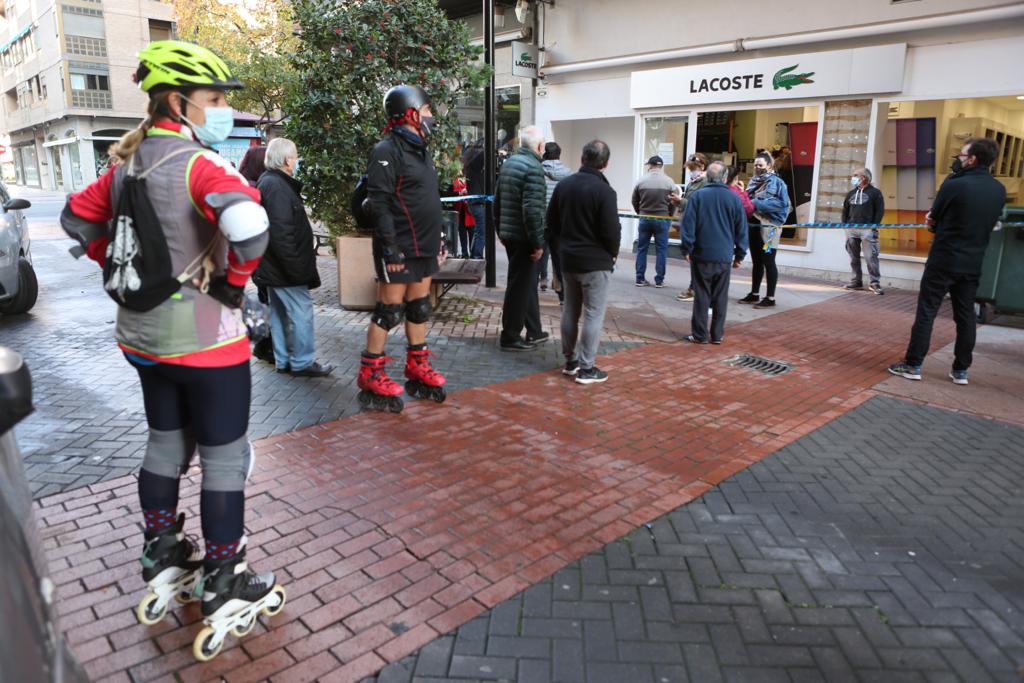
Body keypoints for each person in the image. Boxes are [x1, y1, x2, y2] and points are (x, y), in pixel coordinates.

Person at [59, 40, 284, 660]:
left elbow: (79, 222)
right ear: (181, 102)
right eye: (214, 99)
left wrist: (124, 264)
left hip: (141, 339)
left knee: (163, 444)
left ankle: (161, 548)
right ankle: (224, 577)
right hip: (206, 344)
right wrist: (233, 286)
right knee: (223, 459)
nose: (220, 110)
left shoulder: (125, 166)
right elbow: (251, 228)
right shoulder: (199, 164)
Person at [358, 84, 447, 411]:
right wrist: (390, 249)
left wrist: (438, 237)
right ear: (409, 113)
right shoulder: (386, 150)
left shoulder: (421, 150)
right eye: (426, 111)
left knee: (419, 306)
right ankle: (371, 372)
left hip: (423, 245)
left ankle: (416, 365)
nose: (431, 117)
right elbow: (379, 203)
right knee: (389, 311)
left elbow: (426, 199)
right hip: (398, 247)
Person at [889, 138, 1006, 385]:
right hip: (973, 262)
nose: (958, 159)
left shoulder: (954, 185)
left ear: (972, 159)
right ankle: (961, 370)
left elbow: (933, 218)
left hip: (944, 258)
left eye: (962, 155)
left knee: (927, 311)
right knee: (965, 316)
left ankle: (913, 364)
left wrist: (937, 223)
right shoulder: (998, 190)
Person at [253, 138, 332, 377]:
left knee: (280, 314)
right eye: (295, 156)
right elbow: (281, 233)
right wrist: (296, 268)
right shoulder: (276, 186)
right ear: (288, 160)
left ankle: (285, 359)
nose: (296, 160)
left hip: (275, 267)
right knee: (300, 312)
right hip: (285, 268)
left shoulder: (271, 183)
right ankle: (301, 361)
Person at [547, 140, 621, 384]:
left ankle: (571, 362)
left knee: (570, 309)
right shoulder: (605, 192)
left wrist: (560, 251)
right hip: (595, 262)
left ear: (582, 158)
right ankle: (588, 369)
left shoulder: (564, 186)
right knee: (593, 314)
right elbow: (611, 230)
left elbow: (552, 224)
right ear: (607, 164)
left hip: (568, 259)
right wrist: (613, 252)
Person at [679, 161, 748, 344]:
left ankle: (700, 334)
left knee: (701, 294)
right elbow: (741, 229)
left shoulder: (698, 196)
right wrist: (740, 254)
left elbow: (688, 225)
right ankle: (717, 334)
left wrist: (687, 248)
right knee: (720, 296)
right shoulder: (734, 198)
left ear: (707, 177)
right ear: (725, 178)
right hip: (724, 255)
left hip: (702, 254)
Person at [498, 125, 549, 351]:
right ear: (539, 146)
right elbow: (532, 210)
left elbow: (497, 198)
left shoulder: (510, 163)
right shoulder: (534, 169)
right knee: (519, 287)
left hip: (511, 235)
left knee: (524, 284)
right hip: (523, 237)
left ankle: (535, 330)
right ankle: (510, 335)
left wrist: (500, 230)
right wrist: (538, 243)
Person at [739, 152, 790, 309]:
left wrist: (755, 203)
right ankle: (754, 294)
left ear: (769, 165)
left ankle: (770, 297)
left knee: (768, 261)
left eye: (760, 165)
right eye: (755, 165)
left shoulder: (778, 183)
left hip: (769, 226)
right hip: (753, 224)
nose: (757, 168)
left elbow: (782, 204)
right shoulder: (753, 181)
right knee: (757, 261)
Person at [632, 155, 678, 288]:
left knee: (642, 249)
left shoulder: (641, 181)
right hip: (662, 218)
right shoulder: (669, 182)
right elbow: (674, 202)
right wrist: (669, 215)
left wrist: (639, 212)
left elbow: (634, 200)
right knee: (661, 250)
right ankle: (659, 280)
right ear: (661, 166)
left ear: (650, 166)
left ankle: (640, 278)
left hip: (645, 218)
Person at [842, 167, 885, 294]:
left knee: (870, 257)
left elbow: (880, 211)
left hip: (868, 230)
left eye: (856, 175)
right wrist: (845, 225)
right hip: (851, 229)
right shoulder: (850, 193)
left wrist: (874, 226)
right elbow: (845, 209)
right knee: (853, 257)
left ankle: (875, 283)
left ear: (864, 178)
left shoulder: (875, 193)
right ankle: (856, 281)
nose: (853, 177)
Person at [542, 141, 572, 303]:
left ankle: (533, 290)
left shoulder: (537, 172)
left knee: (537, 256)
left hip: (541, 221)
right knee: (559, 260)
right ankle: (563, 296)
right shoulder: (569, 174)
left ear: (544, 154)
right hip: (560, 223)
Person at [676, 152, 708, 301]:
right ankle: (694, 287)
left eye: (693, 167)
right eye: (689, 168)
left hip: (698, 225)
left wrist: (680, 202)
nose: (691, 170)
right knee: (694, 259)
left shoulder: (704, 182)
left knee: (697, 259)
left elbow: (699, 205)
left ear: (702, 166)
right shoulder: (693, 181)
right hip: (690, 223)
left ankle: (695, 289)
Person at [461, 139, 487, 259]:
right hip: (478, 204)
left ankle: (474, 253)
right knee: (482, 232)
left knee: (478, 231)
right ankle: (477, 255)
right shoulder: (474, 167)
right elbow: (481, 156)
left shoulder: (471, 168)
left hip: (476, 203)